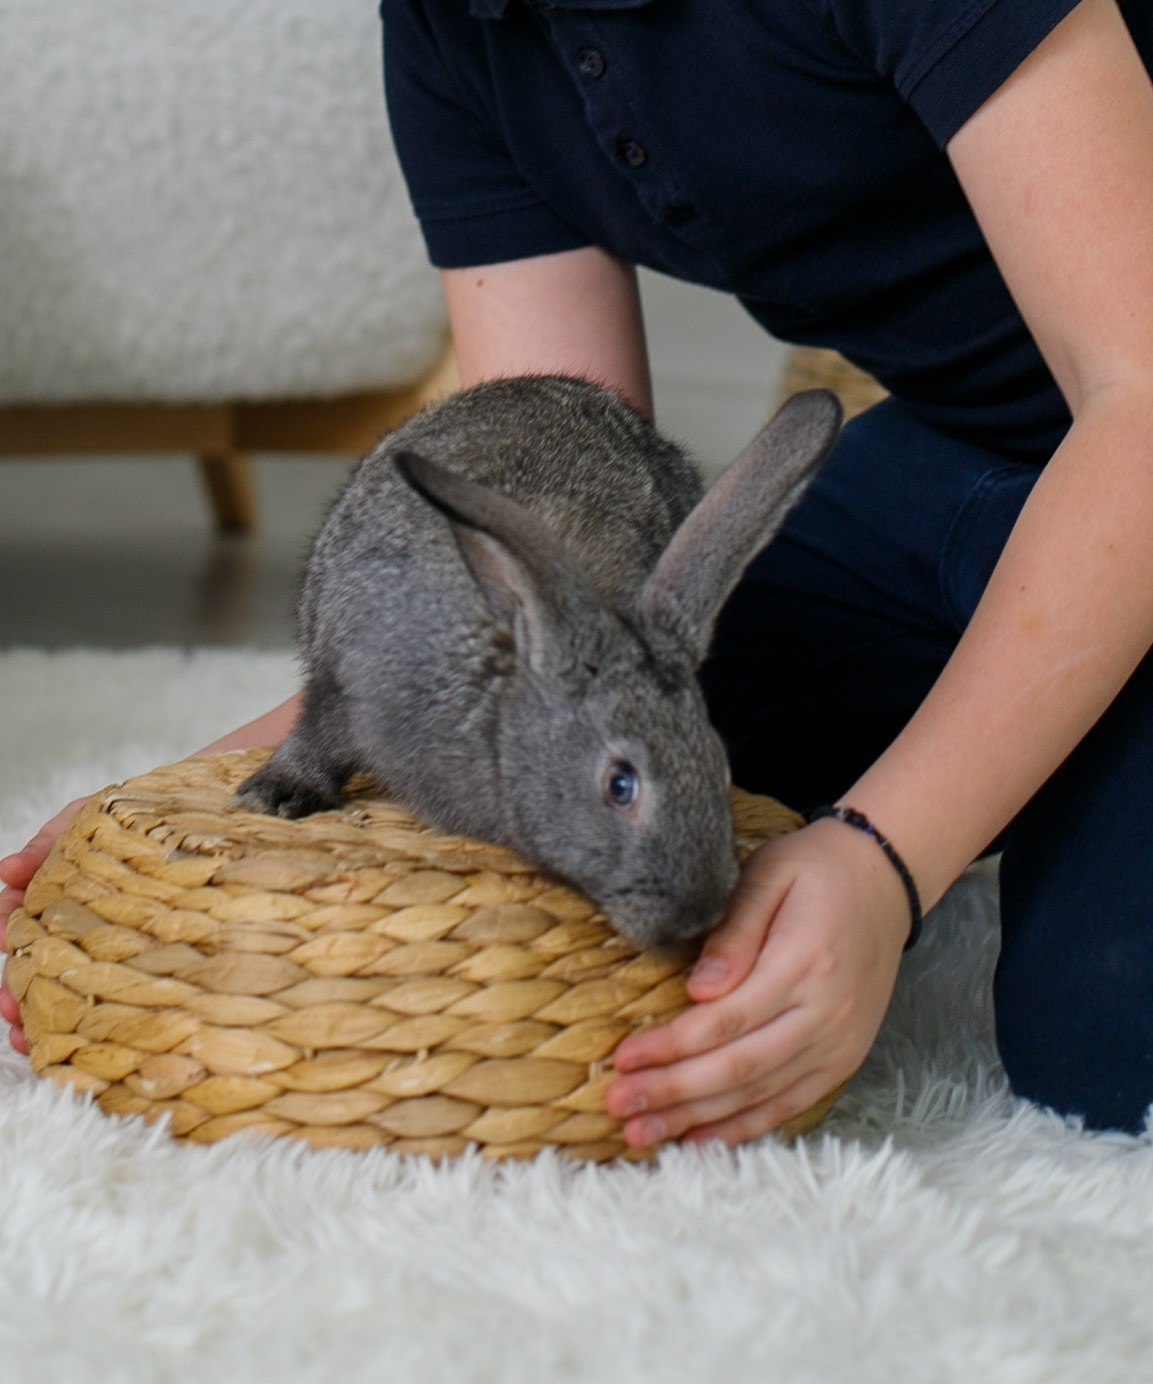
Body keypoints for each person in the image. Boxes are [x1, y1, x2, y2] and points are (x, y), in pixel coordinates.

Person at [6, 0, 1153, 1147]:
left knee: (1106, 1042)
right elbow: (545, 521)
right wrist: (158, 823)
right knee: (624, 792)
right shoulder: (456, 25)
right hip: (966, 449)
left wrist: (885, 855)